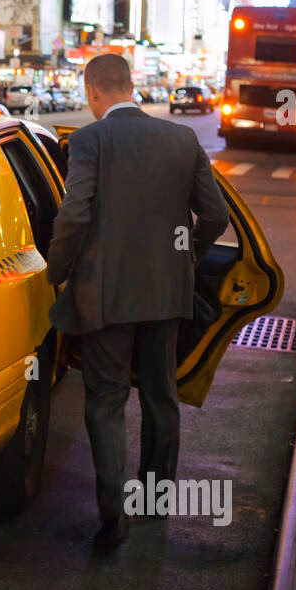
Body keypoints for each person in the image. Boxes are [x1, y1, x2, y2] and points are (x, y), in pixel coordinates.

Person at [45, 53, 228, 551]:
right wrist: (188, 252)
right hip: (167, 293)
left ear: (93, 92)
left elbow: (74, 215)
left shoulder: (89, 141)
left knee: (105, 402)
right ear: (131, 86)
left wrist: (55, 271)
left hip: (105, 295)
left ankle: (112, 519)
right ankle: (155, 499)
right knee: (160, 397)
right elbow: (216, 215)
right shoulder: (182, 139)